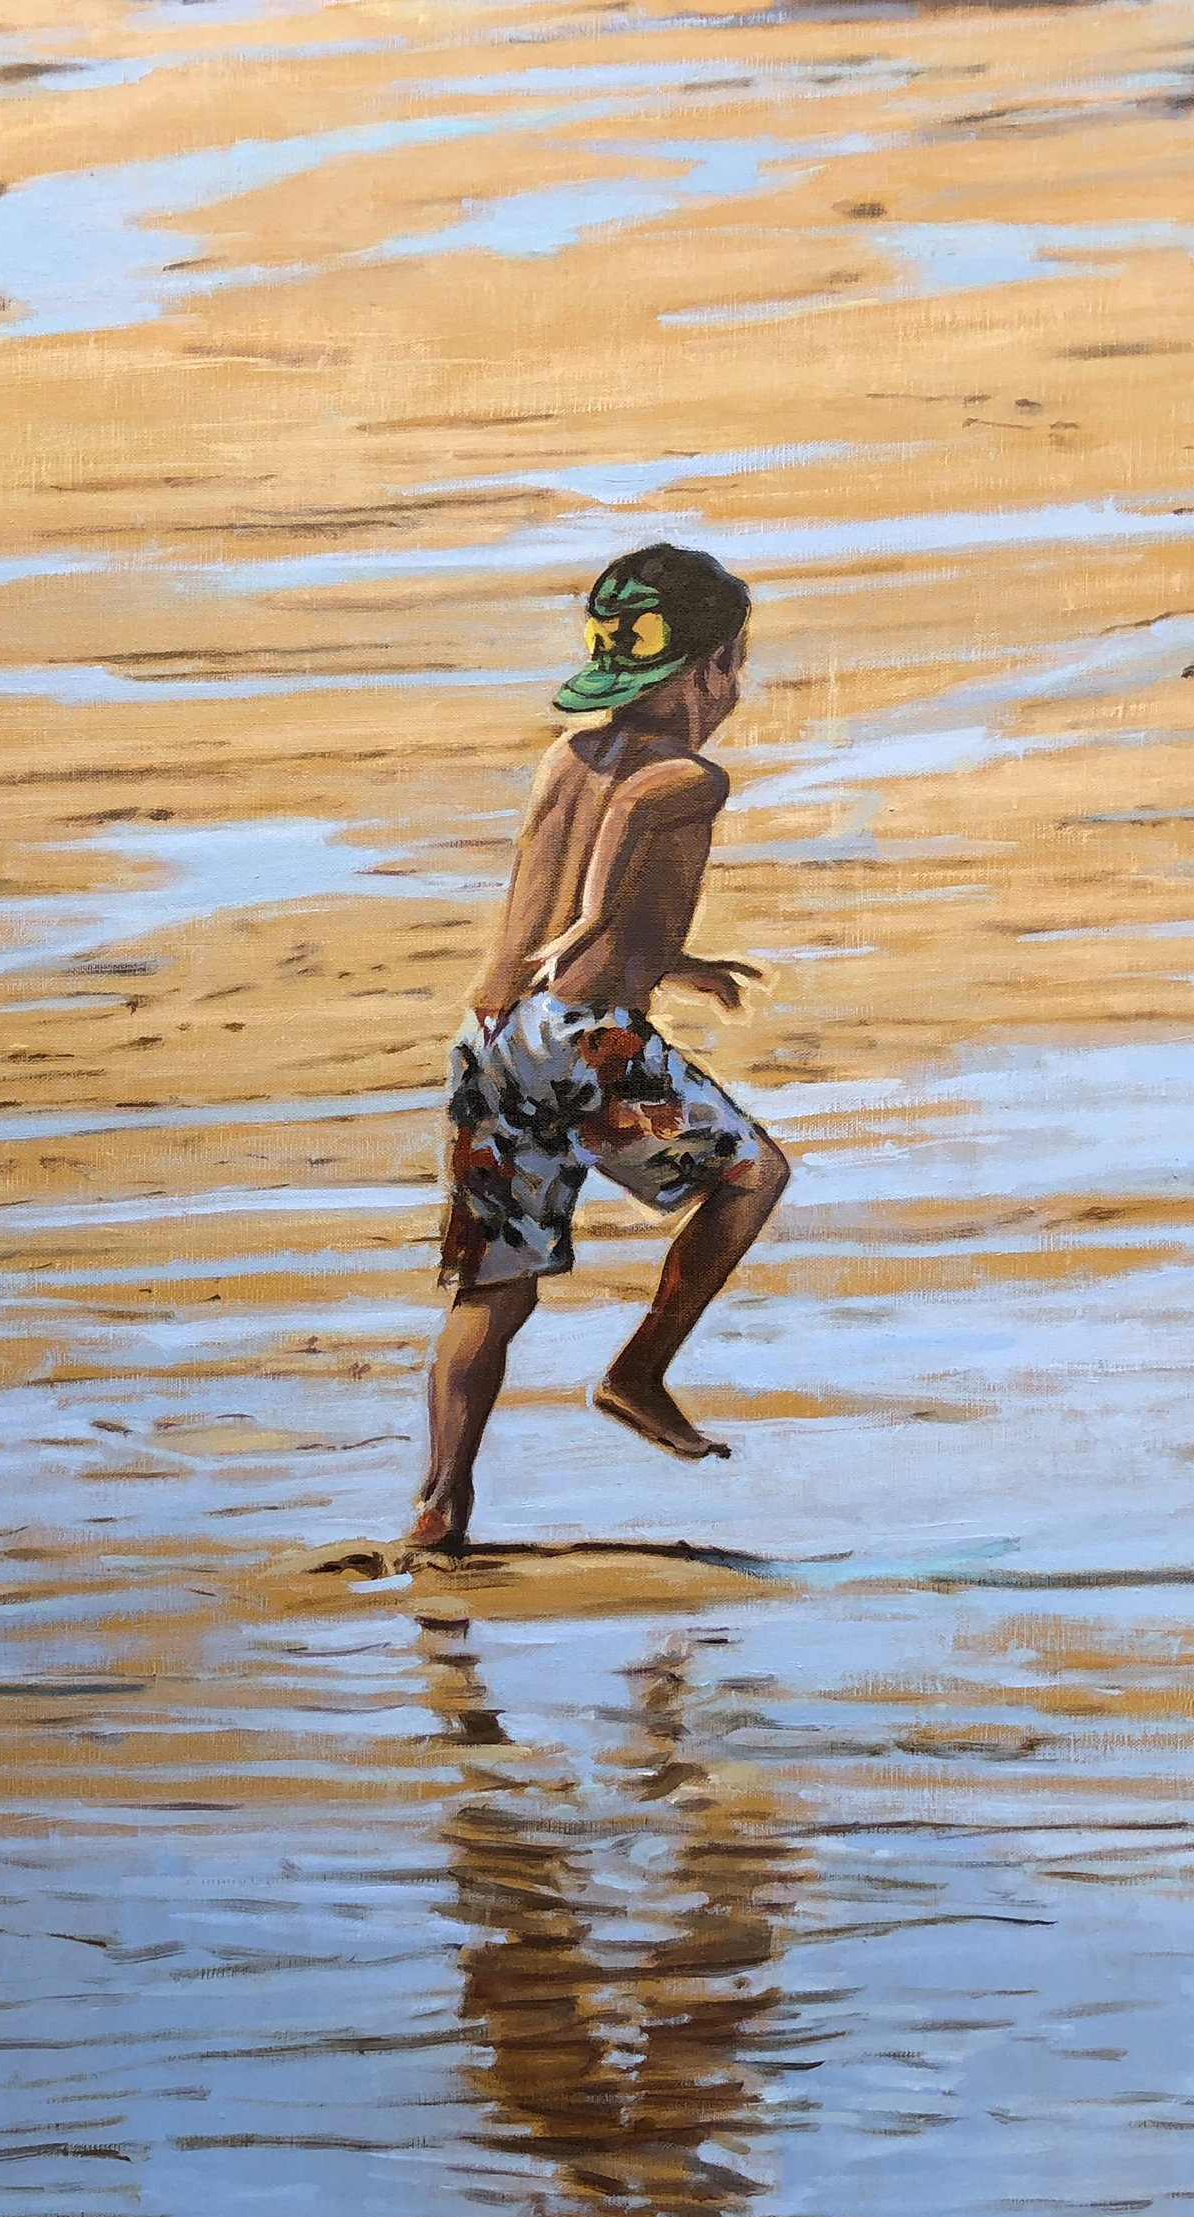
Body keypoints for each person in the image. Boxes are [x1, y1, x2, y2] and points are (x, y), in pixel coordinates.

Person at [408, 545, 789, 1555]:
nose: (736, 686)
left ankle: (440, 1501)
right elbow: (625, 830)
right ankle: (638, 1372)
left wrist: (673, 962)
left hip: (495, 1038)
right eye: (735, 663)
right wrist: (592, 922)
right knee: (752, 1175)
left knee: (494, 1283)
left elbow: (576, 890)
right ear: (707, 667)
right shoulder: (690, 776)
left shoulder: (565, 757)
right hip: (582, 1042)